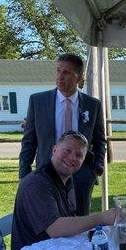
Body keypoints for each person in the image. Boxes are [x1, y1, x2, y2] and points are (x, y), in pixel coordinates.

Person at [19, 53, 106, 216]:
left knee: (81, 222)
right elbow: (29, 140)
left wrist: (96, 168)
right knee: (49, 221)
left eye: (66, 72)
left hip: (82, 174)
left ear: (79, 77)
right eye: (58, 71)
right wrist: (24, 172)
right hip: (47, 172)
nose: (60, 76)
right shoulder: (38, 101)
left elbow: (100, 140)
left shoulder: (93, 105)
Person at [11, 131, 116, 250]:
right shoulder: (36, 183)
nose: (72, 157)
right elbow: (55, 228)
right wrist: (102, 217)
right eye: (67, 151)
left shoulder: (66, 179)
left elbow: (70, 218)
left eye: (79, 155)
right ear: (54, 150)